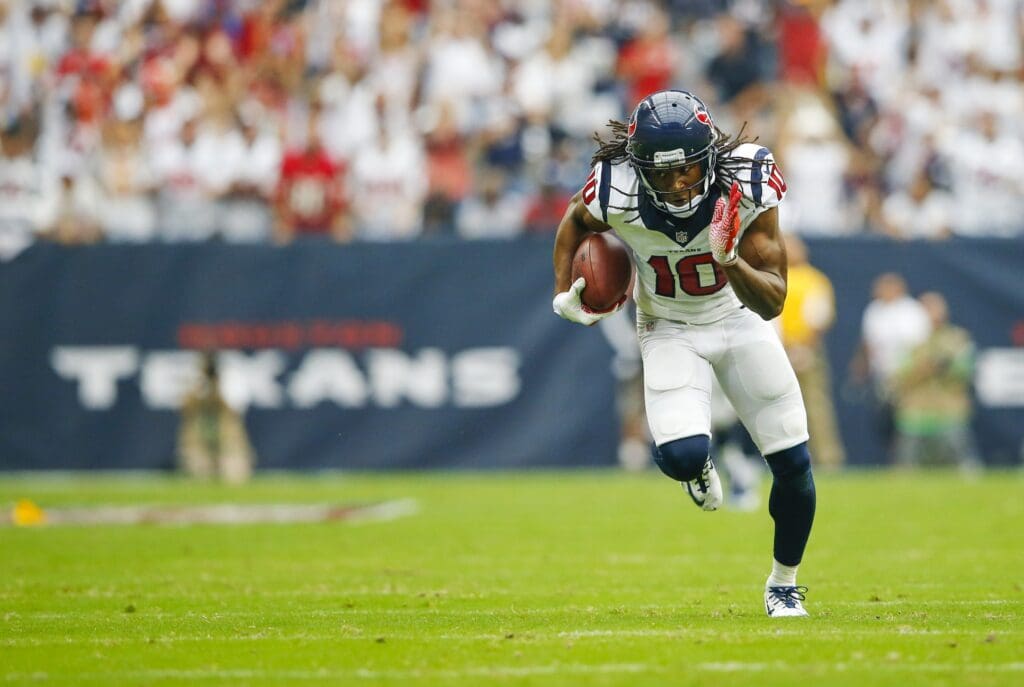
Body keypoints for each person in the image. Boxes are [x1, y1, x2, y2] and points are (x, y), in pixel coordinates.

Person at [552, 90, 815, 617]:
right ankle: (698, 469)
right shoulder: (617, 187)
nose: (677, 184)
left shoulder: (748, 178)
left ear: (712, 157)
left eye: (688, 170)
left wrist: (730, 258)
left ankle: (783, 583)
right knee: (682, 456)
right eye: (662, 173)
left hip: (739, 320)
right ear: (638, 167)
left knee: (793, 464)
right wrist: (564, 290)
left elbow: (773, 301)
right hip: (668, 324)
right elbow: (575, 225)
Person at [890, 292, 981, 471]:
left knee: (966, 467)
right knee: (905, 469)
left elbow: (966, 370)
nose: (932, 315)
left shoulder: (957, 338)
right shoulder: (909, 342)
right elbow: (899, 376)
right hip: (915, 414)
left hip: (949, 412)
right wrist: (925, 368)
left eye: (936, 309)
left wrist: (945, 366)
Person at [778, 234, 845, 470]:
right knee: (778, 407)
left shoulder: (815, 279)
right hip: (778, 349)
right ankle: (783, 459)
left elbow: (819, 317)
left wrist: (804, 348)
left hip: (808, 350)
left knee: (816, 407)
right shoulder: (776, 275)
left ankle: (828, 460)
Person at [177, 352, 256, 484]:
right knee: (199, 478)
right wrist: (200, 385)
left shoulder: (232, 380)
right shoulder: (196, 382)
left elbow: (232, 411)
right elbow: (186, 409)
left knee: (234, 478)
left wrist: (216, 386)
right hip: (200, 444)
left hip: (228, 444)